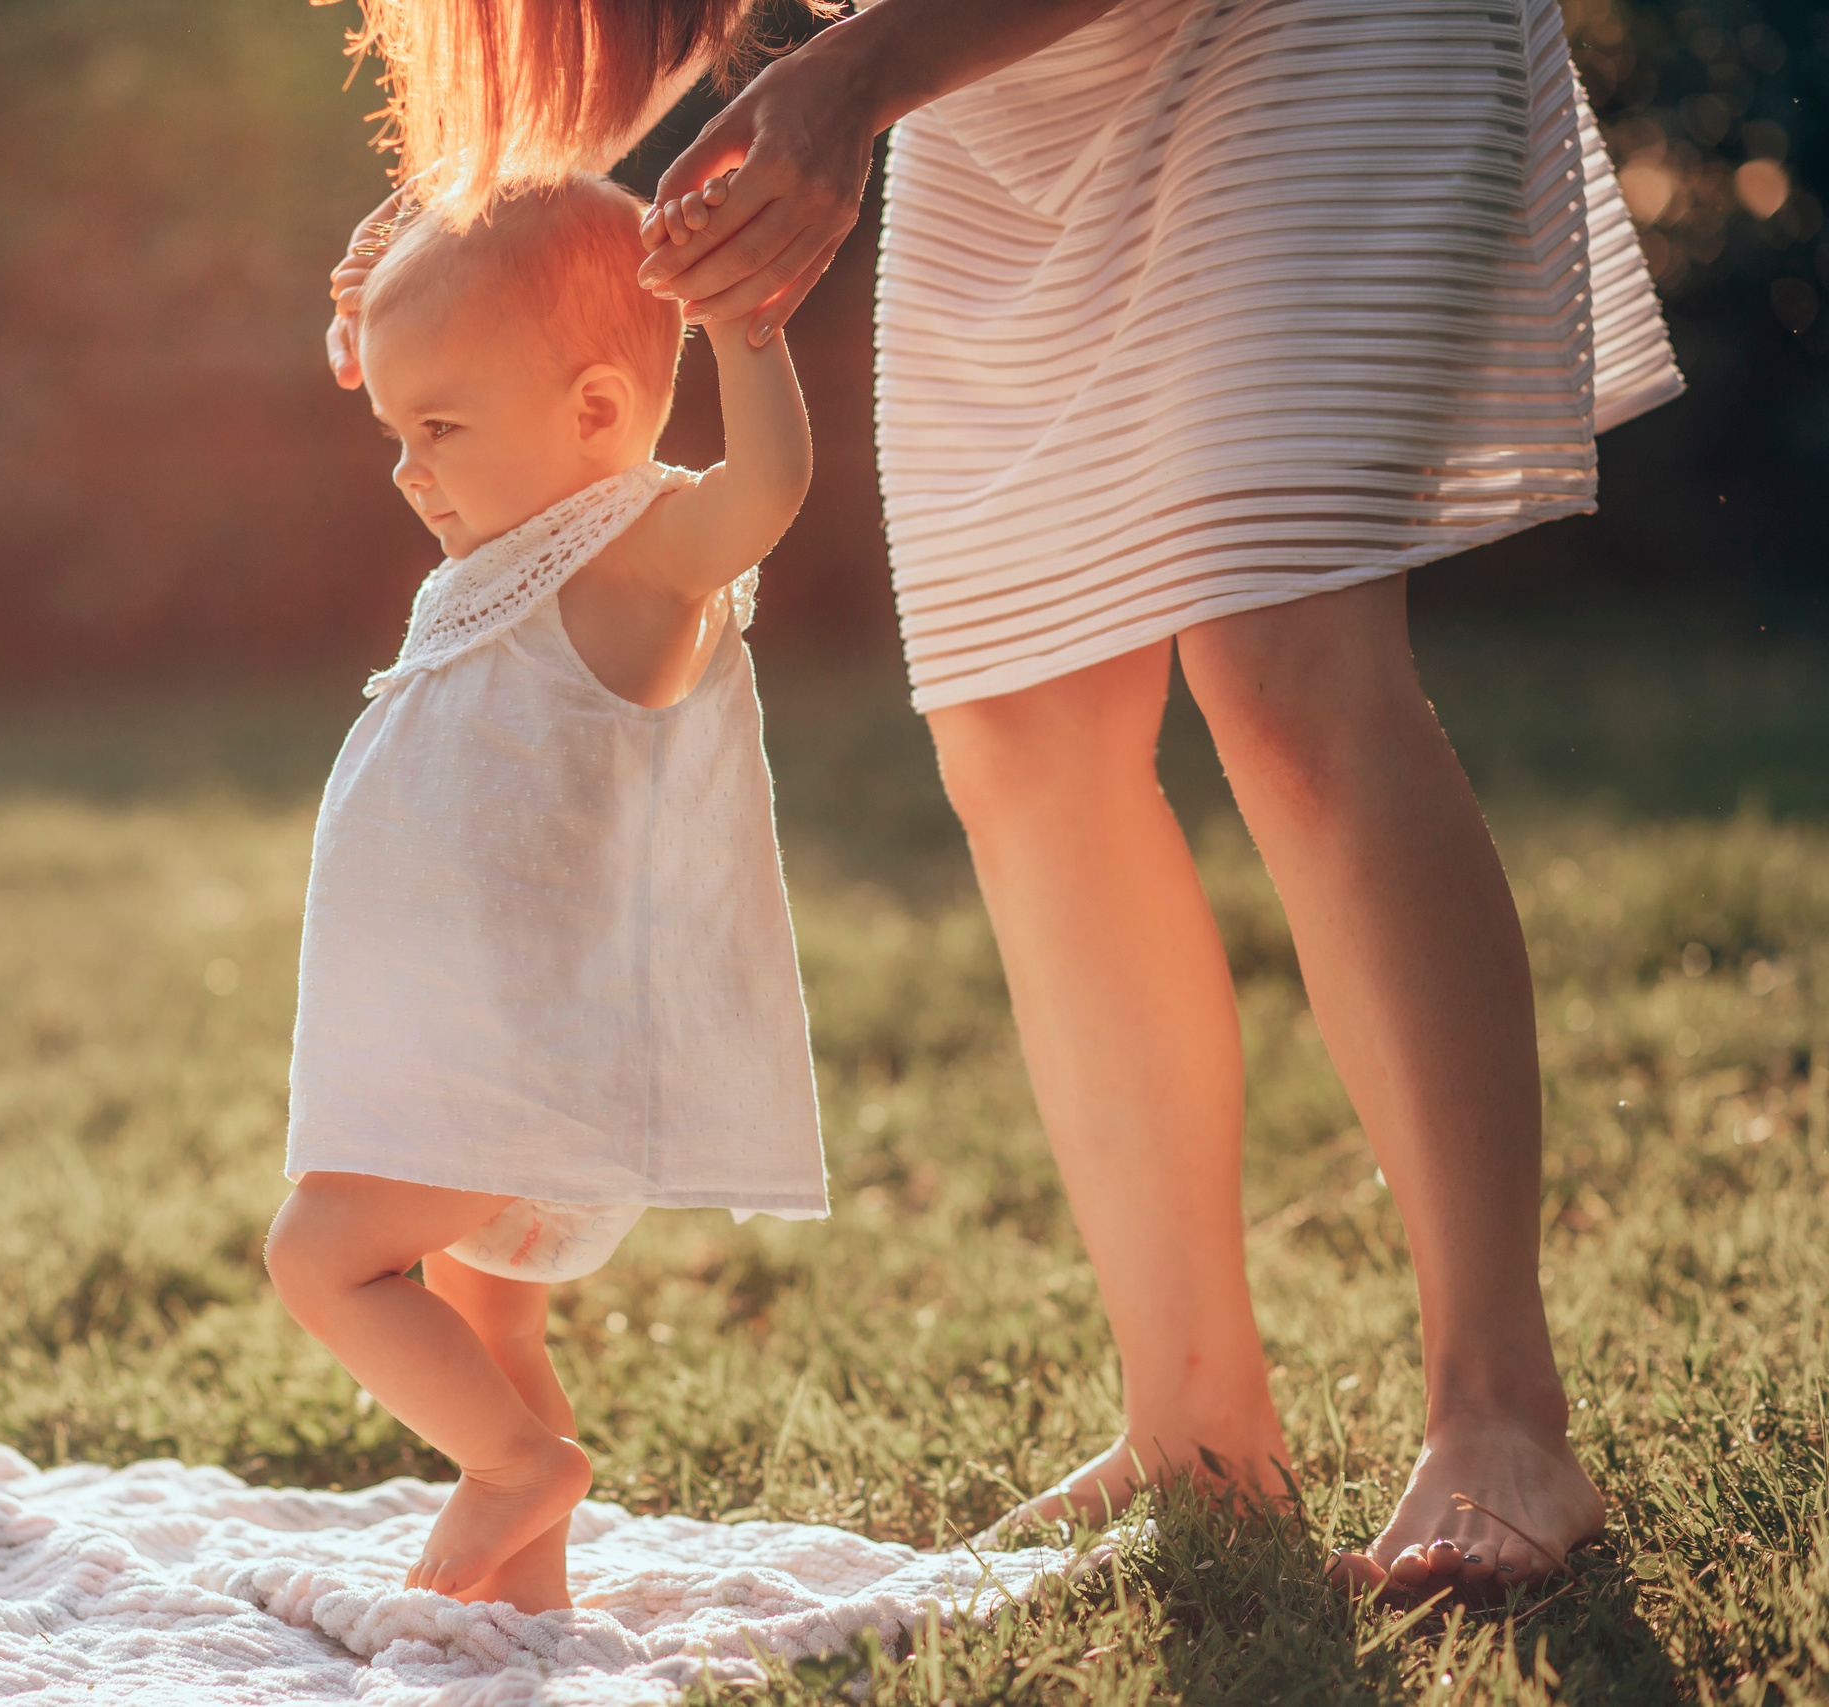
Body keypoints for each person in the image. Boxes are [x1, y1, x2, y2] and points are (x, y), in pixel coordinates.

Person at [322, 0, 1680, 1601]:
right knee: (1017, 728)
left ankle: (1498, 1407)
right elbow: (660, 22)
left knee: (1283, 655)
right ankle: (1196, 1426)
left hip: (1288, 33)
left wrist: (867, 69)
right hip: (993, 84)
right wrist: (475, 217)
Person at [264, 173, 829, 1615]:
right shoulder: (508, 561)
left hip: (524, 1062)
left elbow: (762, 494)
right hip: (486, 1055)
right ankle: (526, 1611)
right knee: (483, 1313)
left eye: (439, 429)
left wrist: (742, 332)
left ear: (592, 409)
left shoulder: (633, 559)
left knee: (323, 1257)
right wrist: (391, 287)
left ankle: (516, 1471)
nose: (408, 469)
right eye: (395, 433)